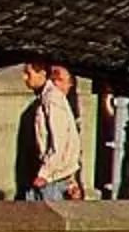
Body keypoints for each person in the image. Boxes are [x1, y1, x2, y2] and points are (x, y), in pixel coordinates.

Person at [22, 61, 83, 202]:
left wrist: (45, 174)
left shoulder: (52, 99)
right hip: (55, 176)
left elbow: (59, 140)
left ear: (43, 73)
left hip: (53, 178)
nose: (24, 78)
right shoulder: (47, 98)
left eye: (28, 73)